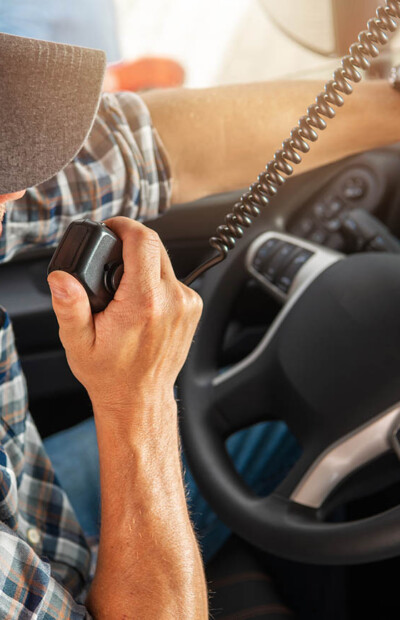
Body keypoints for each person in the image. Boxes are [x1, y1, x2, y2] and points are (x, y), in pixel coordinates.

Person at [2, 29, 400, 619]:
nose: (19, 187)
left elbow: (139, 149)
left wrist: (389, 105)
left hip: (35, 510)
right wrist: (137, 402)